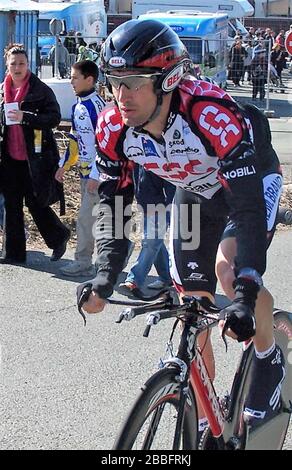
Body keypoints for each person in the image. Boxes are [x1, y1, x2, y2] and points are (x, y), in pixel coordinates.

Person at [77, 19, 285, 432]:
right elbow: (114, 204)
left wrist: (244, 292)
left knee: (228, 275)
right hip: (196, 191)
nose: (121, 95)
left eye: (134, 81)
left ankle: (268, 357)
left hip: (250, 181)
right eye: (115, 81)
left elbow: (244, 209)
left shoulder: (210, 114)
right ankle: (207, 407)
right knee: (191, 297)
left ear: (167, 81)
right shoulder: (113, 126)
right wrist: (105, 275)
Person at [0, 43, 70, 264]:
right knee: (11, 204)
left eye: (22, 63)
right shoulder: (2, 90)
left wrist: (26, 116)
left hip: (36, 158)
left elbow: (54, 118)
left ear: (28, 64)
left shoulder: (40, 90)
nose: (18, 67)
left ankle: (59, 237)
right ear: (7, 66)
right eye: (14, 64)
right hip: (9, 157)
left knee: (36, 202)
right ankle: (13, 254)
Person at [55, 60, 105, 277]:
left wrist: (97, 172)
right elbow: (74, 140)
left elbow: (106, 143)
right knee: (96, 219)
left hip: (100, 175)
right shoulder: (77, 106)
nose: (71, 82)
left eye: (75, 77)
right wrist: (64, 165)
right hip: (84, 174)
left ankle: (83, 262)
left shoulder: (97, 106)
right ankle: (119, 251)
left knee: (86, 219)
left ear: (89, 79)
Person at [119, 165, 175, 293]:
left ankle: (134, 279)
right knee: (153, 241)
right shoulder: (138, 148)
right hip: (149, 201)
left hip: (167, 201)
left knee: (151, 241)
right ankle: (165, 276)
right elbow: (138, 174)